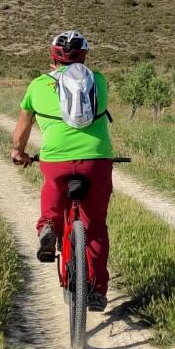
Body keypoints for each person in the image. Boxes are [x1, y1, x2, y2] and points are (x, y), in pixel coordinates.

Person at [11, 30, 114, 312]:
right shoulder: (100, 81)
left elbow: (22, 129)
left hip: (56, 160)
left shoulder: (37, 86)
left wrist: (19, 153)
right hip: (97, 160)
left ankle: (48, 227)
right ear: (84, 56)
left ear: (52, 56)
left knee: (53, 192)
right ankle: (96, 291)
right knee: (95, 227)